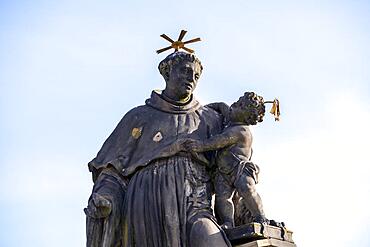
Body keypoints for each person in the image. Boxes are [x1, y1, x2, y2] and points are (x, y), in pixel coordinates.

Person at [85, 51, 231, 247]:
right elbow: (111, 171)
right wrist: (106, 197)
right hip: (144, 213)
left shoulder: (209, 120)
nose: (191, 79)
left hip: (195, 207)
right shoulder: (139, 117)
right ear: (167, 73)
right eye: (185, 71)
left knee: (210, 239)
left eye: (196, 76)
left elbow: (229, 171)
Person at [178, 92, 269, 229]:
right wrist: (199, 110)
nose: (233, 106)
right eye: (236, 102)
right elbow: (221, 106)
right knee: (222, 198)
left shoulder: (241, 130)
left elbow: (218, 141)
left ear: (248, 117)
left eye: (239, 106)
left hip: (240, 169)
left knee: (247, 190)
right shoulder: (232, 118)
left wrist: (200, 146)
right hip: (223, 171)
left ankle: (260, 217)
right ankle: (227, 222)